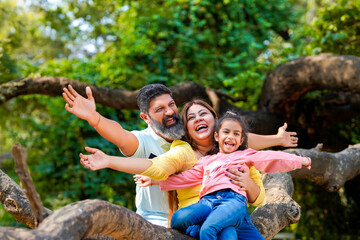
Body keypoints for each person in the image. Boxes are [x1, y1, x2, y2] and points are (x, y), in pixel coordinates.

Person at [63, 84, 298, 227]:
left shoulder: (189, 132)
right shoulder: (143, 140)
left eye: (171, 104)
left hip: (200, 213)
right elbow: (119, 135)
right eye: (159, 109)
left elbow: (235, 138)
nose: (169, 112)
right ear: (145, 117)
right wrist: (94, 118)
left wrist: (276, 140)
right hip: (155, 220)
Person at [159, 111, 311, 240]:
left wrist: (300, 160)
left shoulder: (245, 155)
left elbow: (271, 157)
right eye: (226, 132)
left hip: (232, 201)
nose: (231, 137)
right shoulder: (207, 161)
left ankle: (206, 228)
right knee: (177, 219)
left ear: (241, 140)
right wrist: (156, 180)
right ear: (217, 136)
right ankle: (198, 229)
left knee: (209, 230)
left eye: (236, 134)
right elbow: (186, 177)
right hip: (207, 201)